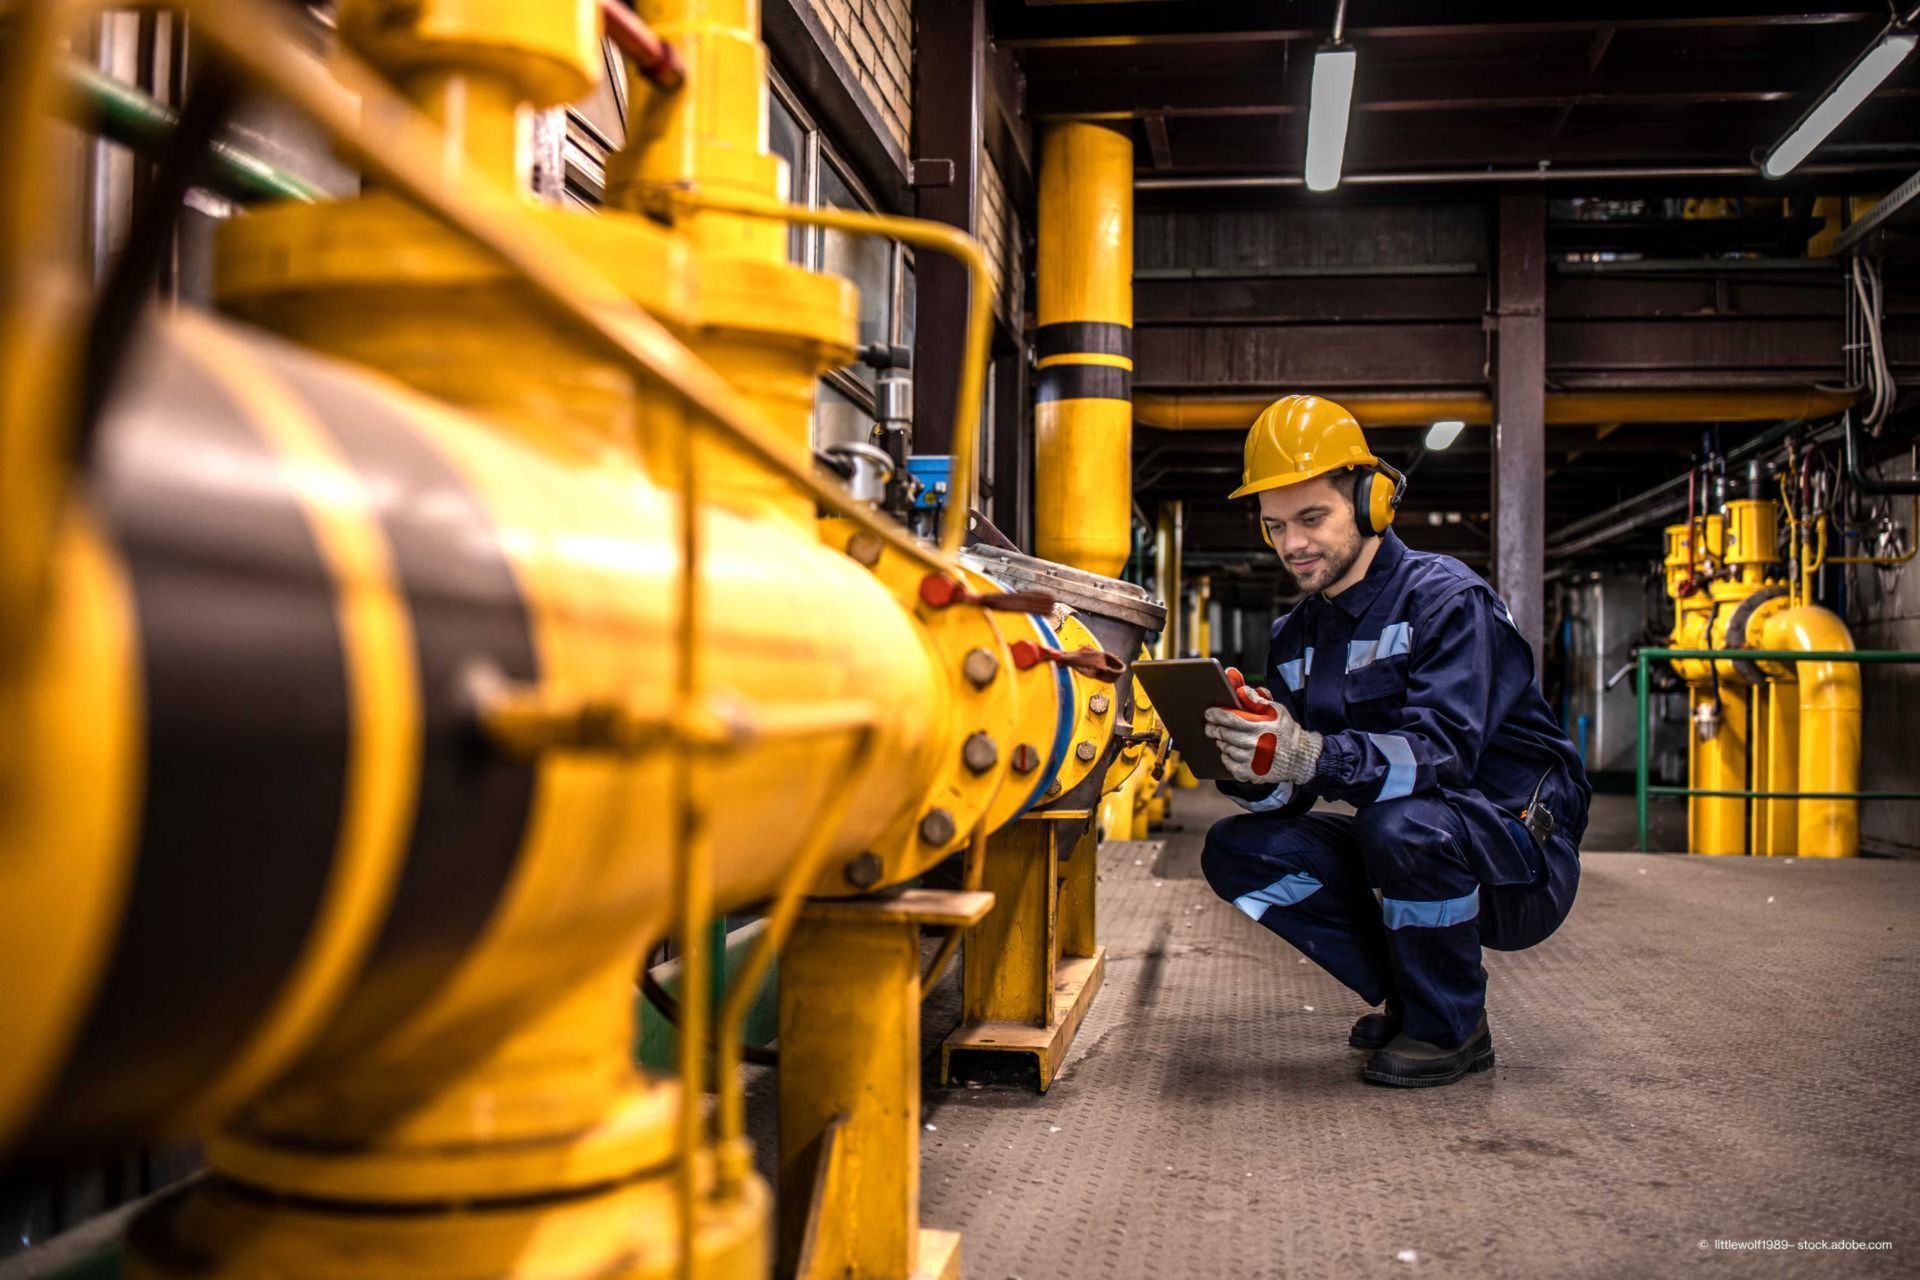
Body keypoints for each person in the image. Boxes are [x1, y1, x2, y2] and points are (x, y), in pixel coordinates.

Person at [1199, 394, 1587, 1088]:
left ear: (1372, 502)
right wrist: (1247, 760)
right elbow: (1292, 793)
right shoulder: (1295, 637)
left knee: (1401, 821)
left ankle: (1451, 1028)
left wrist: (1312, 753)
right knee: (1237, 848)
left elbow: (1439, 755)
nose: (1293, 544)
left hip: (1519, 852)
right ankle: (1416, 992)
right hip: (1409, 835)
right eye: (1276, 524)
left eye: (1312, 517)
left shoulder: (1445, 601)